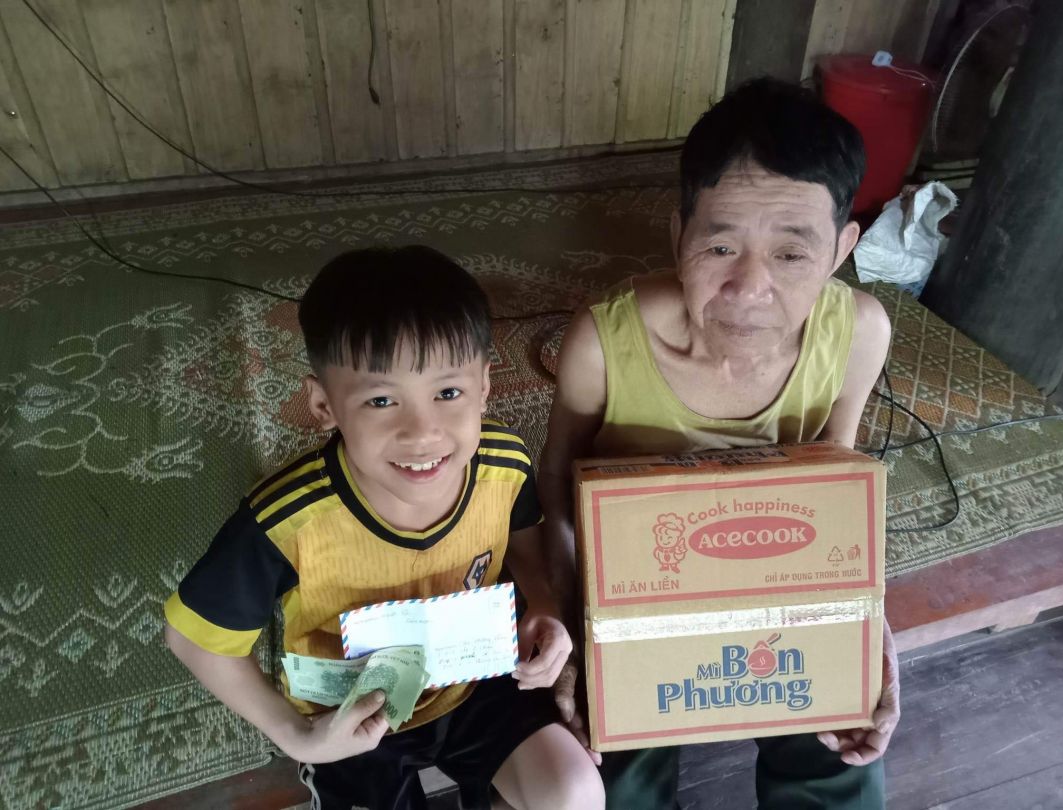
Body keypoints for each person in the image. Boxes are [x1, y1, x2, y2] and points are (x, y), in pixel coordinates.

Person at [539, 78, 901, 809]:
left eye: (792, 254)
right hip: (632, 600)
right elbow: (554, 493)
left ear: (842, 248)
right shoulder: (606, 342)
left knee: (843, 744)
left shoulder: (858, 335)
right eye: (721, 244)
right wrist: (576, 627)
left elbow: (837, 501)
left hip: (776, 591)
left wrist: (868, 634)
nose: (749, 286)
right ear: (679, 235)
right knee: (608, 769)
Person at [164, 246, 605, 810]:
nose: (422, 433)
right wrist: (297, 737)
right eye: (380, 400)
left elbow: (522, 538)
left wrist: (542, 604)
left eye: (448, 393)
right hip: (350, 712)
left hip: (476, 682)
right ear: (324, 406)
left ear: (485, 386)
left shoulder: (503, 463)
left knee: (574, 792)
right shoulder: (286, 520)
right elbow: (194, 639)